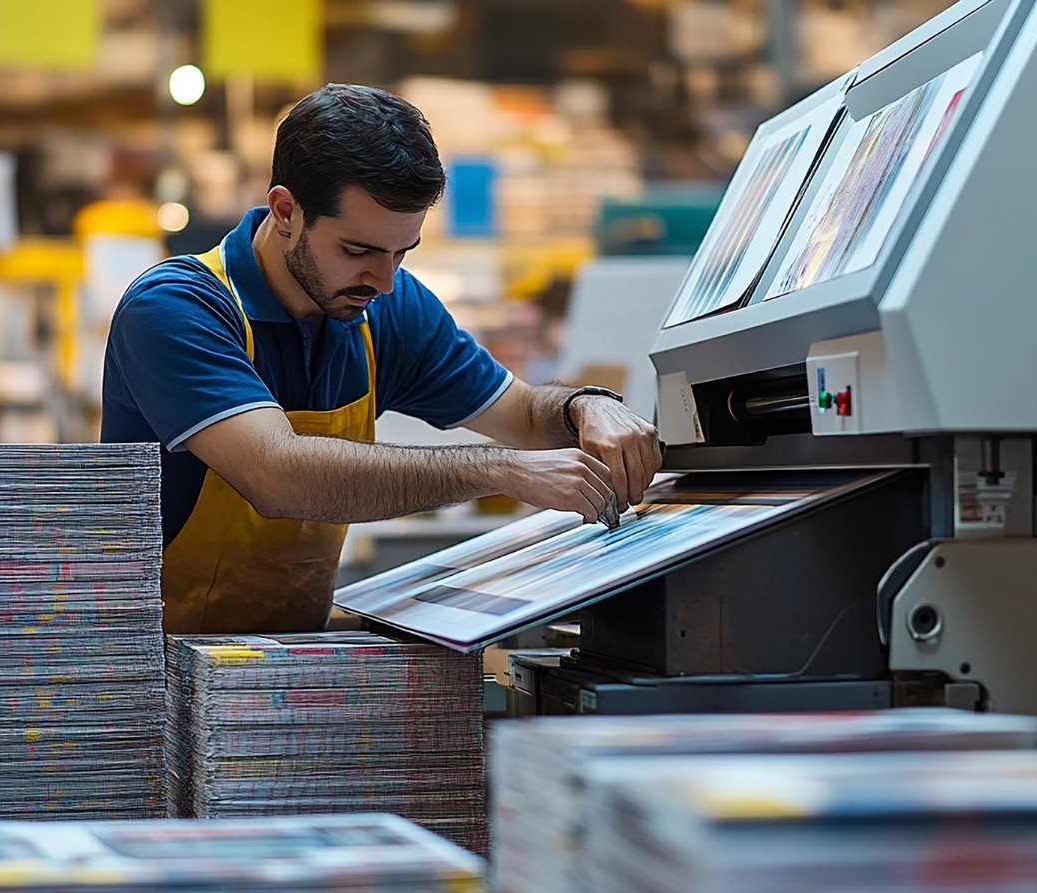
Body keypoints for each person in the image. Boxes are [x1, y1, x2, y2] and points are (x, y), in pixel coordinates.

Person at [102, 83, 660, 635]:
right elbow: (276, 475)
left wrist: (586, 406)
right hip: (145, 675)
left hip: (280, 671)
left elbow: (523, 414)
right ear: (285, 210)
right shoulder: (179, 308)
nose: (385, 281)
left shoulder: (384, 309)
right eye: (357, 250)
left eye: (401, 252)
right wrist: (499, 469)